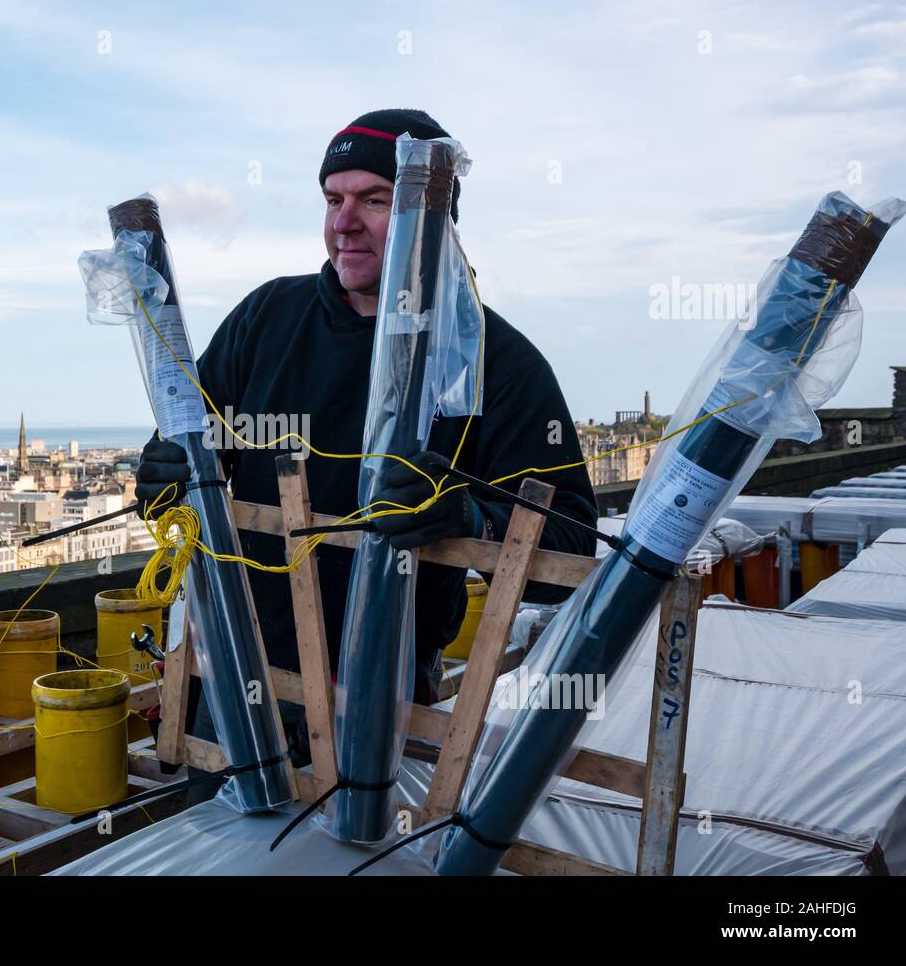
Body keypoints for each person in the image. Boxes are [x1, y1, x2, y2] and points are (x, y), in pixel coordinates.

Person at [134, 109, 598, 791]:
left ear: (432, 220)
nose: (343, 222)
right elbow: (185, 449)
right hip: (235, 682)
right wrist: (163, 471)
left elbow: (573, 551)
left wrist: (471, 522)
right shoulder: (267, 320)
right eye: (332, 199)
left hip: (383, 705)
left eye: (374, 200)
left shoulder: (496, 362)